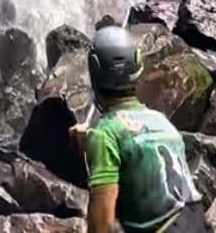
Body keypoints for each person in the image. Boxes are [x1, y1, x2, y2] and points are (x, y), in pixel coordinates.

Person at [76, 26, 201, 233]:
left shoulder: (103, 133)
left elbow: (102, 227)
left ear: (94, 69)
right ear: (137, 65)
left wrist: (93, 142)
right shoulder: (161, 122)